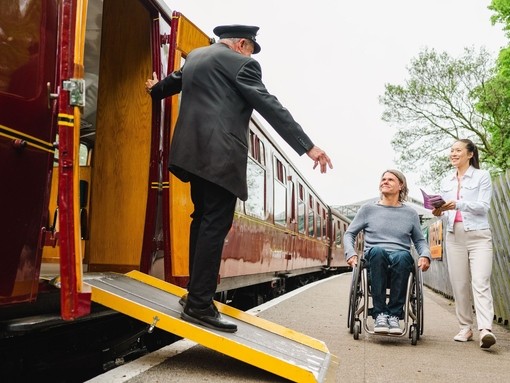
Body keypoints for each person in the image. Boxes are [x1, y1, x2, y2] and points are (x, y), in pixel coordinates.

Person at [145, 25, 332, 333]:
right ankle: (199, 304)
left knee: (202, 219)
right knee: (215, 225)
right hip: (220, 157)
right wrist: (307, 146)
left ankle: (195, 294)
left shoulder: (194, 58)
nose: (250, 55)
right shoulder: (243, 64)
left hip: (190, 154)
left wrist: (154, 88)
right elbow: (269, 105)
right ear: (242, 44)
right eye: (250, 49)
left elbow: (169, 85)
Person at [344, 170, 431, 334]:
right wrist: (351, 253)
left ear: (401, 185)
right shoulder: (368, 209)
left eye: (390, 179)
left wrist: (425, 255)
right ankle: (380, 314)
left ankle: (394, 316)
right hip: (375, 259)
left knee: (404, 256)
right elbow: (350, 234)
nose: (385, 182)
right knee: (378, 251)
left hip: (400, 260)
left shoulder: (410, 213)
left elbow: (419, 240)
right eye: (383, 179)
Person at [432, 139, 496, 349]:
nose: (453, 154)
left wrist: (458, 204)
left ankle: (485, 329)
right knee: (459, 284)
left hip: (478, 236)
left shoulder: (482, 176)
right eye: (451, 150)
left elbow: (483, 206)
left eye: (458, 150)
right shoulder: (446, 181)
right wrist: (439, 210)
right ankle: (465, 327)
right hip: (454, 236)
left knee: (480, 281)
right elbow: (445, 211)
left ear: (470, 154)